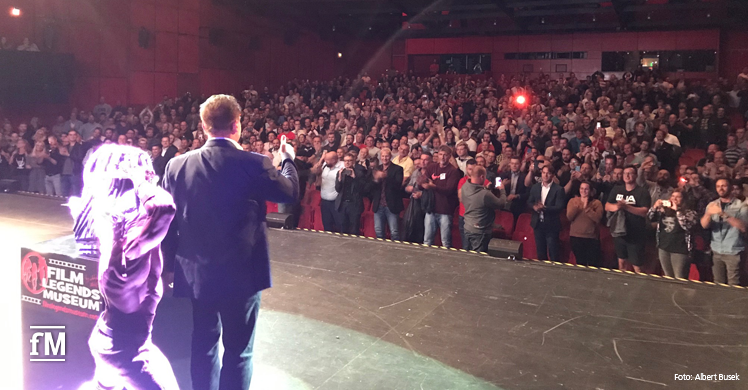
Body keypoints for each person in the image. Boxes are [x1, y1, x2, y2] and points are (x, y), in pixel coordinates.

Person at [162, 95, 299, 390]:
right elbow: (288, 192)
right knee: (239, 352)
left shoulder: (177, 166)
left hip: (197, 275)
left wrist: (167, 267)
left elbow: (167, 222)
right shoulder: (255, 164)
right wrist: (287, 158)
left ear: (203, 126)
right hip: (242, 277)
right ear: (237, 124)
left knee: (203, 345)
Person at [68, 144, 178, 390]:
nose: (153, 179)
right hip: (126, 352)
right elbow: (164, 208)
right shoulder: (126, 255)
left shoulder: (121, 234)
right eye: (147, 175)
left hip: (114, 341)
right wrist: (140, 181)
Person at [701, 178, 748, 286]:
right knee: (718, 284)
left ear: (731, 188)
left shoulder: (741, 205)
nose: (720, 189)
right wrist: (708, 214)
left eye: (724, 186)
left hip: (733, 251)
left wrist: (723, 214)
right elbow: (704, 225)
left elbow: (743, 227)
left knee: (734, 285)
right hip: (716, 250)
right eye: (718, 186)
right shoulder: (712, 204)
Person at [605, 166, 651, 273]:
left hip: (636, 233)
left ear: (635, 175)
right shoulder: (617, 189)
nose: (627, 175)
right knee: (621, 261)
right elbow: (607, 206)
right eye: (625, 173)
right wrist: (617, 207)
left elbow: (644, 211)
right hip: (619, 232)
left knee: (637, 265)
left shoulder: (642, 191)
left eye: (630, 173)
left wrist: (626, 207)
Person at [648, 190, 698, 279]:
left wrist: (677, 210)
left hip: (680, 250)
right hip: (664, 248)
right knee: (668, 276)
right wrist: (655, 207)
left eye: (678, 197)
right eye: (673, 196)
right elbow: (649, 218)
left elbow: (686, 226)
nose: (674, 199)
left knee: (680, 277)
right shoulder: (664, 210)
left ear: (683, 200)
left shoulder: (690, 213)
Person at [422, 145, 461, 248]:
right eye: (440, 154)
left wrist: (433, 185)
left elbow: (449, 190)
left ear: (449, 157)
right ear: (437, 155)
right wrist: (428, 184)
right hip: (431, 208)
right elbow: (423, 181)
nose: (442, 157)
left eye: (445, 155)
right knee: (427, 240)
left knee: (445, 241)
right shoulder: (431, 167)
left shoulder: (453, 171)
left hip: (445, 210)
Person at [462, 166, 507, 251]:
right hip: (480, 231)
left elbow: (476, 197)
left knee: (467, 254)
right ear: (482, 177)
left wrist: (486, 188)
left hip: (468, 226)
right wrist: (502, 190)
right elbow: (501, 203)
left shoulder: (465, 187)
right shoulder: (485, 194)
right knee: (479, 258)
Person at [527, 165, 565, 262]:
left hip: (551, 225)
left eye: (548, 173)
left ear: (552, 175)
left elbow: (559, 207)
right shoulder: (535, 187)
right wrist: (534, 207)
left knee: (553, 252)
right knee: (540, 252)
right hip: (538, 224)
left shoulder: (558, 189)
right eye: (543, 173)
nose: (545, 175)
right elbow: (529, 202)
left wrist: (544, 208)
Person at [369, 148, 404, 240]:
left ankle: (395, 252)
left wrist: (386, 176)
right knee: (378, 231)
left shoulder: (398, 169)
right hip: (379, 204)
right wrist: (376, 179)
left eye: (387, 156)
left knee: (394, 232)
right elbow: (370, 188)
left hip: (391, 205)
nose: (385, 158)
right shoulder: (377, 169)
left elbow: (398, 185)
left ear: (390, 157)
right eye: (383, 156)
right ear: (380, 157)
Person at [566, 181, 603, 266]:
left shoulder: (596, 203)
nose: (584, 191)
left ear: (590, 191)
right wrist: (577, 207)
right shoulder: (573, 201)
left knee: (592, 263)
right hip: (576, 237)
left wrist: (587, 208)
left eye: (586, 189)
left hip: (591, 237)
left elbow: (597, 219)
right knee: (580, 262)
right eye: (582, 188)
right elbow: (569, 217)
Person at [335, 152, 367, 235]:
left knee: (354, 229)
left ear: (353, 161)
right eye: (345, 161)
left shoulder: (359, 173)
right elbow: (338, 189)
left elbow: (363, 190)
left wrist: (354, 178)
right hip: (343, 204)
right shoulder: (340, 172)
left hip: (354, 205)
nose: (347, 162)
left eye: (349, 160)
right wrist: (339, 178)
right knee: (343, 227)